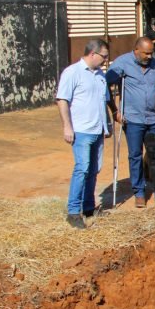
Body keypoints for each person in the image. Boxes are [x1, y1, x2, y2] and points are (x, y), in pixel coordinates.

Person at [55, 39, 115, 229]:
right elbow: (62, 100)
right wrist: (67, 126)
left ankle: (88, 207)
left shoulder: (100, 75)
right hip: (81, 130)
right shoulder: (72, 72)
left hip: (98, 130)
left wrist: (108, 124)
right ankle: (73, 211)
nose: (105, 60)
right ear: (92, 53)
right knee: (82, 168)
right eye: (103, 56)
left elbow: (103, 102)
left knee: (94, 169)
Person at [106, 37, 155, 208]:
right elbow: (105, 85)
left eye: (151, 53)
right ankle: (139, 192)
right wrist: (114, 110)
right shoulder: (122, 63)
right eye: (146, 53)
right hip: (133, 119)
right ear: (136, 50)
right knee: (135, 156)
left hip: (152, 119)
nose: (149, 57)